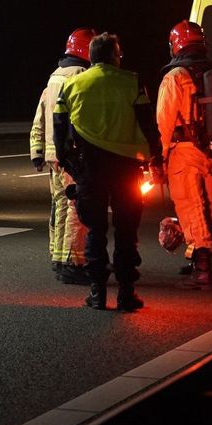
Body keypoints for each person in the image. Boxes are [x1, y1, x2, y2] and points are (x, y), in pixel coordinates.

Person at [53, 33, 161, 311]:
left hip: (90, 167)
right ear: (115, 56)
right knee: (126, 232)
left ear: (91, 56)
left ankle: (97, 292)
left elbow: (60, 129)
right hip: (126, 167)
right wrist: (156, 158)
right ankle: (126, 294)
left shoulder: (73, 84)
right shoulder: (132, 82)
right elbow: (147, 124)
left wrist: (70, 164)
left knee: (95, 231)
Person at [157, 21, 212, 290]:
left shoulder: (175, 76)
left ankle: (202, 271)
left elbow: (164, 123)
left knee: (192, 210)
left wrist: (161, 157)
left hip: (186, 152)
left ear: (175, 45)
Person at [30, 28, 95, 283]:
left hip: (53, 155)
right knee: (76, 207)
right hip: (72, 153)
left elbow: (40, 115)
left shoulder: (54, 77)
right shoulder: (81, 76)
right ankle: (73, 262)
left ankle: (58, 257)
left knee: (59, 205)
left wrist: (37, 151)